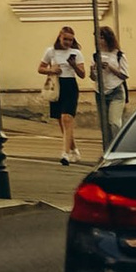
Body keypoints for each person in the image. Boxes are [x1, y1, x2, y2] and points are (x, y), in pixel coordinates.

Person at [38, 23, 85, 165]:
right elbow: (40, 68)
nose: (68, 42)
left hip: (70, 85)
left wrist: (73, 65)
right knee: (61, 121)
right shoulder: (50, 51)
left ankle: (65, 154)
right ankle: (74, 149)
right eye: (65, 39)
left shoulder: (76, 53)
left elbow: (82, 74)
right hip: (57, 86)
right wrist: (51, 70)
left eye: (70, 40)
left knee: (67, 118)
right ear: (60, 37)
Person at [93, 24, 130, 139]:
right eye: (97, 38)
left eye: (102, 38)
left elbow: (124, 75)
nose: (99, 41)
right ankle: (107, 150)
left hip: (116, 91)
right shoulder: (95, 55)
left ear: (108, 39)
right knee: (104, 125)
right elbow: (93, 77)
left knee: (114, 122)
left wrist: (110, 67)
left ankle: (118, 146)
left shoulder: (119, 55)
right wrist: (93, 69)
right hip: (100, 92)